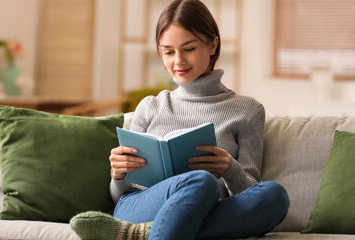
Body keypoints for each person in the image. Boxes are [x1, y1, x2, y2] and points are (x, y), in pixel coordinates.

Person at [70, 0, 290, 239]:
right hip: (140, 204)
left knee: (274, 196)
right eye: (168, 52)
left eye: (189, 49)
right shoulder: (150, 106)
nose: (178, 61)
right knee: (201, 181)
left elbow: (250, 190)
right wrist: (119, 174)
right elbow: (120, 196)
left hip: (209, 206)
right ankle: (154, 227)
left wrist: (229, 168)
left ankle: (143, 234)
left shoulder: (247, 110)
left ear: (213, 45)